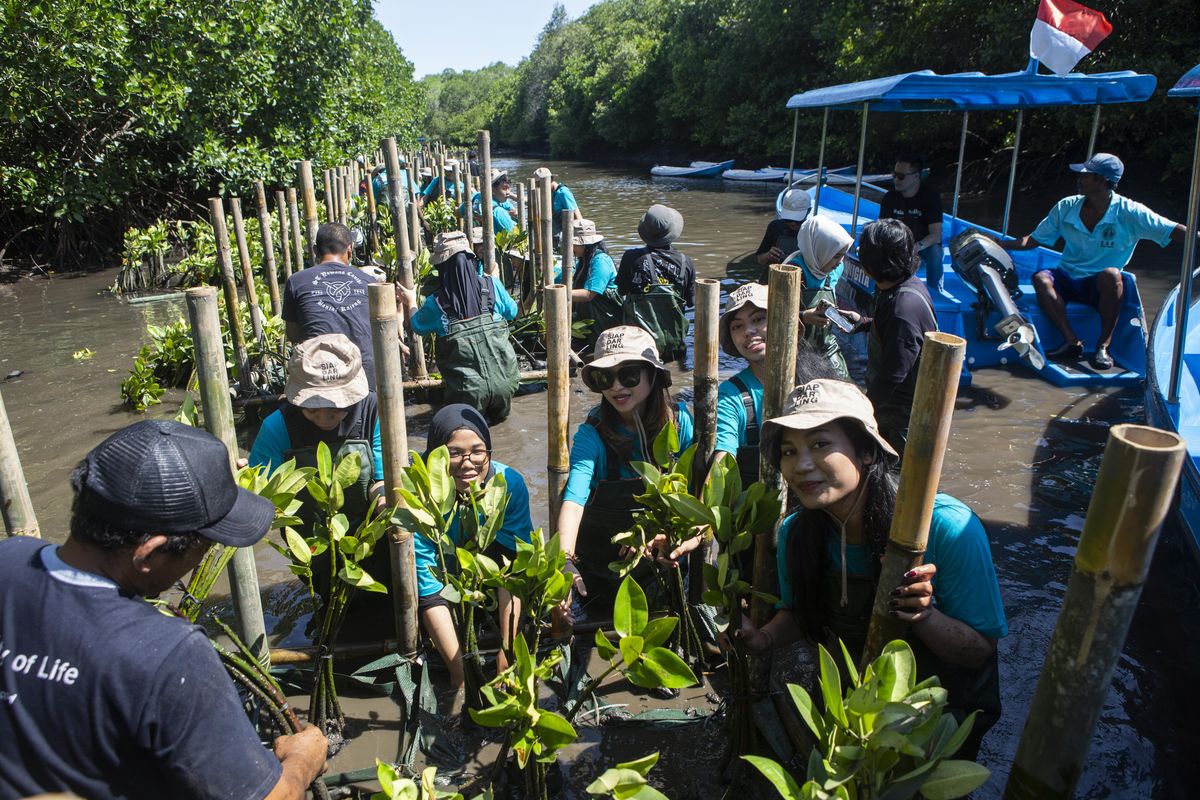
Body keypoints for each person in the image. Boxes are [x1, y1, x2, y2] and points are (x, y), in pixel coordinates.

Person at [0, 420, 328, 799]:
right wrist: (301, 761)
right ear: (150, 554)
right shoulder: (171, 655)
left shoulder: (9, 557)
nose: (203, 556)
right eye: (204, 546)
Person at [737, 379, 1007, 761]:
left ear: (866, 453)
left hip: (938, 713)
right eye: (788, 451)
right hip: (853, 706)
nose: (801, 465)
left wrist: (924, 615)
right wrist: (762, 639)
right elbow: (800, 615)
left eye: (820, 444)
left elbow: (979, 651)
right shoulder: (797, 532)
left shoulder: (945, 526)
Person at [556, 326, 695, 623]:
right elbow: (574, 497)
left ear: (652, 375)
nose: (617, 386)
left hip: (659, 555)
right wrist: (565, 560)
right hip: (598, 562)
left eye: (629, 375)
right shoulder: (592, 434)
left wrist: (669, 535)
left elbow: (694, 497)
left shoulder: (681, 424)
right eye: (605, 377)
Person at [1001, 153, 1186, 369]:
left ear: (1102, 180)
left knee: (1112, 275)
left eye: (1086, 175)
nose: (1079, 178)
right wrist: (999, 243)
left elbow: (1173, 230)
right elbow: (1032, 240)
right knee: (1041, 277)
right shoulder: (1067, 206)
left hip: (1099, 285)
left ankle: (1103, 346)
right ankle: (1072, 341)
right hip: (1068, 276)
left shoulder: (1130, 212)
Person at [248, 334, 387, 604]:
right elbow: (263, 496)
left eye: (336, 408)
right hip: (313, 543)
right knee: (330, 600)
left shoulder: (374, 411)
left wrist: (383, 501)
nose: (324, 417)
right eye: (312, 409)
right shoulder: (277, 426)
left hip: (370, 538)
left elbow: (381, 478)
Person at [413, 404, 534, 710]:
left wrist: (506, 652)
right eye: (453, 453)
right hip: (445, 593)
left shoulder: (509, 485)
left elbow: (511, 571)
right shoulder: (420, 495)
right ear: (434, 457)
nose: (467, 463)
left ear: (489, 453)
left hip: (489, 588)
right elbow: (428, 590)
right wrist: (460, 674)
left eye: (477, 451)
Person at [397, 231, 521, 423]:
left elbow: (417, 326)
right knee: (500, 427)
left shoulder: (437, 302)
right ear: (472, 259)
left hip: (466, 393)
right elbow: (512, 312)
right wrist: (494, 281)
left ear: (441, 267)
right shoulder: (492, 285)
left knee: (469, 428)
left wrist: (411, 302)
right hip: (507, 383)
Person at [843, 219, 937, 458]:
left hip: (902, 418)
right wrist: (864, 324)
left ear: (867, 265)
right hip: (896, 407)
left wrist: (863, 411)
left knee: (892, 477)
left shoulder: (903, 308)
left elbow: (892, 375)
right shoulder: (900, 287)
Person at [282, 221, 377, 389]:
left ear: (315, 250)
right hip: (363, 374)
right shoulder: (368, 282)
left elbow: (293, 334)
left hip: (318, 374)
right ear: (350, 249)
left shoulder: (296, 281)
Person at [616, 204, 696, 364]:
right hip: (673, 345)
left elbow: (621, 291)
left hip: (638, 342)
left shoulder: (631, 258)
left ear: (645, 233)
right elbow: (690, 302)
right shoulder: (685, 262)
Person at [786, 214, 855, 380]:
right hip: (798, 347)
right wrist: (804, 316)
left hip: (826, 343)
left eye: (843, 255)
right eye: (836, 256)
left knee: (843, 387)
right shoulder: (792, 271)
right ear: (820, 250)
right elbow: (773, 314)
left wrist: (837, 317)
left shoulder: (835, 269)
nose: (840, 262)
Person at [879, 153, 944, 293]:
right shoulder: (889, 198)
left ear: (916, 176)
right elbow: (882, 230)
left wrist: (916, 247)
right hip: (898, 245)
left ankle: (935, 291)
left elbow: (936, 235)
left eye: (901, 176)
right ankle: (886, 289)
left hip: (923, 246)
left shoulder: (931, 197)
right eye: (894, 175)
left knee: (936, 252)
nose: (896, 179)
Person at [569, 218, 623, 350]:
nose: (570, 248)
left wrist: (559, 292)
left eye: (573, 244)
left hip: (606, 318)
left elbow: (589, 294)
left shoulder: (600, 260)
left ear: (585, 244)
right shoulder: (584, 261)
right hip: (590, 318)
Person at [756, 188, 812, 271]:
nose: (793, 223)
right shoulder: (775, 227)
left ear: (808, 211)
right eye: (788, 220)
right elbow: (760, 260)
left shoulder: (813, 232)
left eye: (797, 220)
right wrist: (768, 255)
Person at [551, 176, 582, 241]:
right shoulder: (551, 193)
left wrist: (580, 237)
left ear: (550, 180)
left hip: (567, 237)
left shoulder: (563, 192)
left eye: (540, 184)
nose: (540, 188)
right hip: (556, 235)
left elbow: (576, 214)